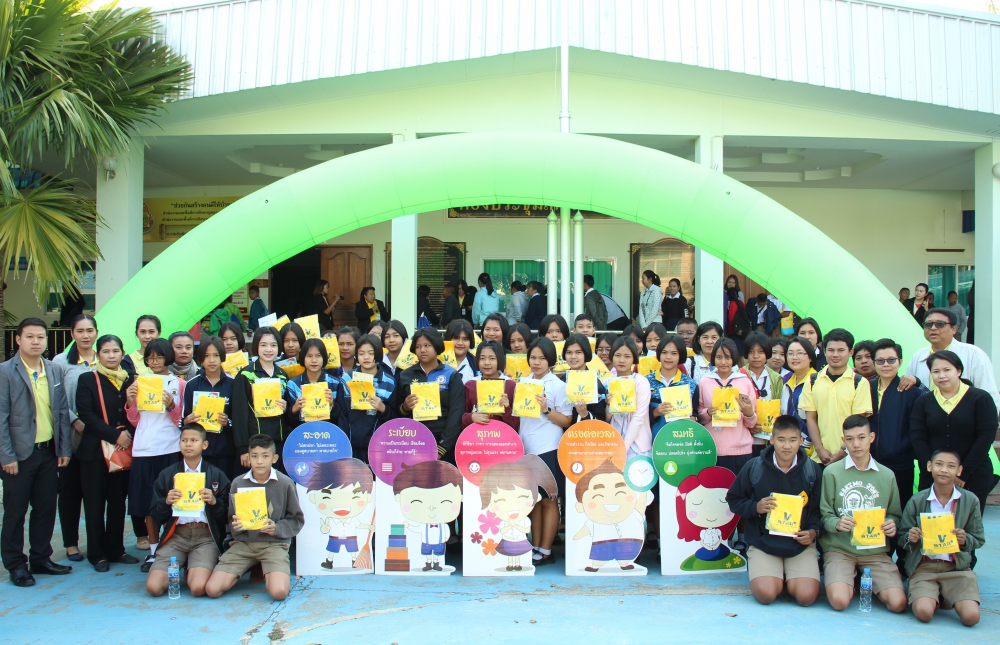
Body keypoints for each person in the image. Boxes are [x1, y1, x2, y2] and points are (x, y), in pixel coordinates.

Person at [0, 318, 73, 586]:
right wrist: (6, 456)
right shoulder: (5, 372)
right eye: (30, 337)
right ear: (18, 339)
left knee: (45, 509)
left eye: (40, 337)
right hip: (19, 455)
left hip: (48, 451)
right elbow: (1, 417)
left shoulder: (53, 369)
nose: (36, 342)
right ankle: (16, 564)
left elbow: (61, 411)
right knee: (15, 512)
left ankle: (41, 558)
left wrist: (63, 447)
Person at [725, 416, 822, 606]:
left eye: (793, 440)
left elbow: (818, 510)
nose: (787, 446)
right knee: (766, 594)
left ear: (801, 441)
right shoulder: (755, 467)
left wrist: (813, 531)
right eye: (781, 439)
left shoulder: (811, 470)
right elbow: (734, 499)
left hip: (799, 545)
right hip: (764, 543)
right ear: (772, 439)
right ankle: (774, 576)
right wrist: (755, 507)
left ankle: (789, 577)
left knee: (806, 597)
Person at [819, 415, 906, 613]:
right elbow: (825, 514)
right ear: (844, 441)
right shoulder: (831, 472)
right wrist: (836, 523)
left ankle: (859, 579)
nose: (856, 444)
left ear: (871, 437)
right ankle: (848, 579)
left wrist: (891, 524)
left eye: (861, 437)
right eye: (849, 439)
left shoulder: (887, 475)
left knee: (898, 603)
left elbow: (895, 515)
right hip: (840, 549)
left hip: (875, 551)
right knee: (839, 601)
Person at [205, 434, 304, 601]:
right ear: (248, 458)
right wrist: (236, 526)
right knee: (212, 589)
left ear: (274, 458)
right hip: (244, 544)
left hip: (274, 544)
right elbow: (231, 518)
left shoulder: (285, 483)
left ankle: (269, 571)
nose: (259, 461)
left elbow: (296, 519)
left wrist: (277, 528)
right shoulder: (238, 483)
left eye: (265, 456)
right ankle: (246, 570)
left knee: (279, 593)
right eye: (255, 456)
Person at [898, 448, 985, 626]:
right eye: (939, 464)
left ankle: (945, 594)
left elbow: (978, 538)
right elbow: (901, 537)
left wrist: (964, 540)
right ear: (929, 466)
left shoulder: (970, 500)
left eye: (951, 466)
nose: (944, 470)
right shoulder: (917, 500)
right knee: (924, 613)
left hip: (956, 569)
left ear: (959, 470)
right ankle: (936, 595)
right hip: (924, 567)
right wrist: (910, 537)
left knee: (971, 617)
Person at [75, 334, 139, 573]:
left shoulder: (131, 378)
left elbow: (138, 410)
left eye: (115, 351)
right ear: (98, 354)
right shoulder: (88, 379)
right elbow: (86, 415)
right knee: (94, 504)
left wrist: (128, 433)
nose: (111, 356)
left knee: (117, 503)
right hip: (95, 452)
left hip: (123, 449)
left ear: (122, 353)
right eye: (106, 351)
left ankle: (116, 549)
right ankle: (97, 553)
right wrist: (115, 435)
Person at [146, 424, 231, 597]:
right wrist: (166, 502)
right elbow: (155, 515)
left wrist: (214, 502)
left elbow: (227, 516)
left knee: (198, 588)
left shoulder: (216, 475)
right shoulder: (168, 475)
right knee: (154, 588)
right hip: (177, 535)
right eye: (184, 440)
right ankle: (184, 563)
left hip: (205, 537)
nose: (188, 444)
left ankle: (191, 568)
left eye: (194, 440)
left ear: (204, 445)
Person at [909, 351, 999, 515]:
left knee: (966, 525)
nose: (941, 375)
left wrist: (962, 472)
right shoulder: (923, 401)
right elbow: (918, 436)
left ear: (958, 371)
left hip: (973, 475)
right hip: (933, 477)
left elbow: (985, 437)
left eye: (947, 370)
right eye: (936, 371)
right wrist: (935, 469)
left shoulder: (980, 398)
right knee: (932, 525)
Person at [125, 338, 185, 572]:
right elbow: (134, 420)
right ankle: (152, 550)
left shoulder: (179, 384)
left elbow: (182, 419)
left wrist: (171, 406)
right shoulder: (139, 383)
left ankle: (170, 547)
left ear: (168, 357)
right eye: (150, 358)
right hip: (144, 448)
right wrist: (130, 401)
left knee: (172, 500)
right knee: (146, 502)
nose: (154, 361)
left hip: (170, 447)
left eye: (159, 357)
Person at [519, 337, 572, 567]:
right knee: (534, 501)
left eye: (542, 358)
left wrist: (546, 409)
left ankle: (547, 549)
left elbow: (567, 420)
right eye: (533, 357)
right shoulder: (523, 382)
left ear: (551, 361)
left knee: (550, 500)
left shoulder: (558, 386)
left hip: (549, 447)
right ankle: (536, 546)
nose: (537, 362)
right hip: (527, 448)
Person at [52, 314, 99, 563]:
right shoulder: (60, 362)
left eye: (89, 330)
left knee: (94, 493)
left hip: (97, 436)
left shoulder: (103, 358)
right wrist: (75, 421)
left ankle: (97, 544)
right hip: (71, 435)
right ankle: (71, 543)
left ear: (96, 332)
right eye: (80, 331)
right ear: (72, 334)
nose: (85, 336)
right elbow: (56, 398)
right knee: (70, 491)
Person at [869, 338, 926, 517]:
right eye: (880, 361)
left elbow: (916, 428)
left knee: (899, 512)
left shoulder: (910, 391)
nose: (886, 365)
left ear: (900, 362)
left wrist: (898, 448)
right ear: (874, 363)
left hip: (900, 463)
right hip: (870, 461)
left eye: (891, 360)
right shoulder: (866, 387)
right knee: (873, 509)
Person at [902, 308, 1000, 413]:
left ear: (953, 328)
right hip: (927, 419)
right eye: (928, 324)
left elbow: (988, 394)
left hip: (965, 419)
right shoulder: (918, 356)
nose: (933, 328)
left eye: (940, 324)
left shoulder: (973, 355)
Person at [800, 329, 872, 465]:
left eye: (841, 350)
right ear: (824, 351)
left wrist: (842, 451)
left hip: (851, 457)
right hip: (819, 457)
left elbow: (858, 422)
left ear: (851, 352)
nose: (835, 354)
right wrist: (819, 449)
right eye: (831, 350)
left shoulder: (859, 383)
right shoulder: (812, 381)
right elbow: (811, 418)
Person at [397, 327, 466, 461]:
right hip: (413, 442)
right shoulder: (405, 375)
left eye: (427, 345)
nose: (422, 350)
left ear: (436, 346)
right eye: (418, 346)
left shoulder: (451, 375)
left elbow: (456, 413)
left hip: (445, 445)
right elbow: (396, 411)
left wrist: (442, 447)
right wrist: (404, 407)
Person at [232, 327, 289, 475]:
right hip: (254, 445)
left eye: (273, 345)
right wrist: (243, 448)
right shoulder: (245, 374)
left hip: (278, 444)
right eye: (263, 345)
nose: (268, 349)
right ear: (256, 346)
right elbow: (239, 413)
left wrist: (286, 407)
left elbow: (289, 411)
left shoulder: (282, 375)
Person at [697, 338, 758, 475]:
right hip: (712, 449)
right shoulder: (705, 382)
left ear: (734, 358)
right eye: (719, 357)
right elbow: (699, 416)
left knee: (739, 487)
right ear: (713, 358)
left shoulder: (744, 381)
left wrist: (749, 413)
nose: (723, 362)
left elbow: (752, 423)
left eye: (728, 357)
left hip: (741, 450)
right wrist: (708, 413)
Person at [182, 336, 236, 479]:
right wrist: (188, 420)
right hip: (199, 454)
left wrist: (227, 422)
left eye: (216, 355)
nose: (211, 360)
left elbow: (240, 420)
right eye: (206, 356)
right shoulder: (192, 385)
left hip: (226, 452)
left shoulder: (233, 384)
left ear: (222, 357)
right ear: (200, 358)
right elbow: (183, 420)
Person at [338, 335, 397, 461]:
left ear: (378, 354)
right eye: (361, 353)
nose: (366, 357)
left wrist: (383, 408)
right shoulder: (346, 380)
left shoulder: (389, 382)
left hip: (378, 449)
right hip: (349, 449)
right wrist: (343, 443)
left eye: (371, 353)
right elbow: (341, 414)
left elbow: (395, 418)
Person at [606, 336, 653, 459]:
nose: (622, 360)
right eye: (617, 355)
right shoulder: (608, 382)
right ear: (612, 356)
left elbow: (639, 417)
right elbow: (606, 418)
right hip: (613, 443)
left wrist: (624, 447)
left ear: (634, 358)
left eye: (627, 356)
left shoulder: (641, 382)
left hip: (638, 446)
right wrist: (608, 405)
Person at [284, 338, 343, 429]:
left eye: (318, 356)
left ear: (324, 358)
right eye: (309, 356)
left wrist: (332, 405)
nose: (314, 360)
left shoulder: (335, 383)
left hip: (328, 433)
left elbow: (341, 418)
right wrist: (294, 409)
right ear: (303, 358)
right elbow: (289, 422)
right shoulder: (293, 385)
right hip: (303, 434)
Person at [648, 334, 698, 437]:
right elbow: (637, 416)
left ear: (681, 355)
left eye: (674, 353)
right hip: (652, 440)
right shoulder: (646, 382)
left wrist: (693, 419)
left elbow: (696, 414)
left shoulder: (691, 385)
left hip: (679, 440)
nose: (668, 357)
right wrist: (655, 413)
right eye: (664, 352)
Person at [462, 340, 519, 430]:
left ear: (499, 359)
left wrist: (507, 408)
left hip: (503, 436)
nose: (486, 363)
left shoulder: (511, 385)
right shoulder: (470, 385)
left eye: (492, 358)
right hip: (476, 435)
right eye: (482, 358)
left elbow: (517, 424)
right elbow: (461, 417)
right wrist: (471, 417)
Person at [561, 334, 607, 424]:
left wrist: (585, 414)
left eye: (578, 352)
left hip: (586, 431)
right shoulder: (561, 381)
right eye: (569, 352)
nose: (573, 356)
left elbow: (601, 419)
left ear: (586, 353)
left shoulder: (595, 384)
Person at [446, 319, 478, 383]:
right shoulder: (438, 362)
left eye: (465, 339)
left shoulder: (477, 364)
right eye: (456, 338)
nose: (460, 343)